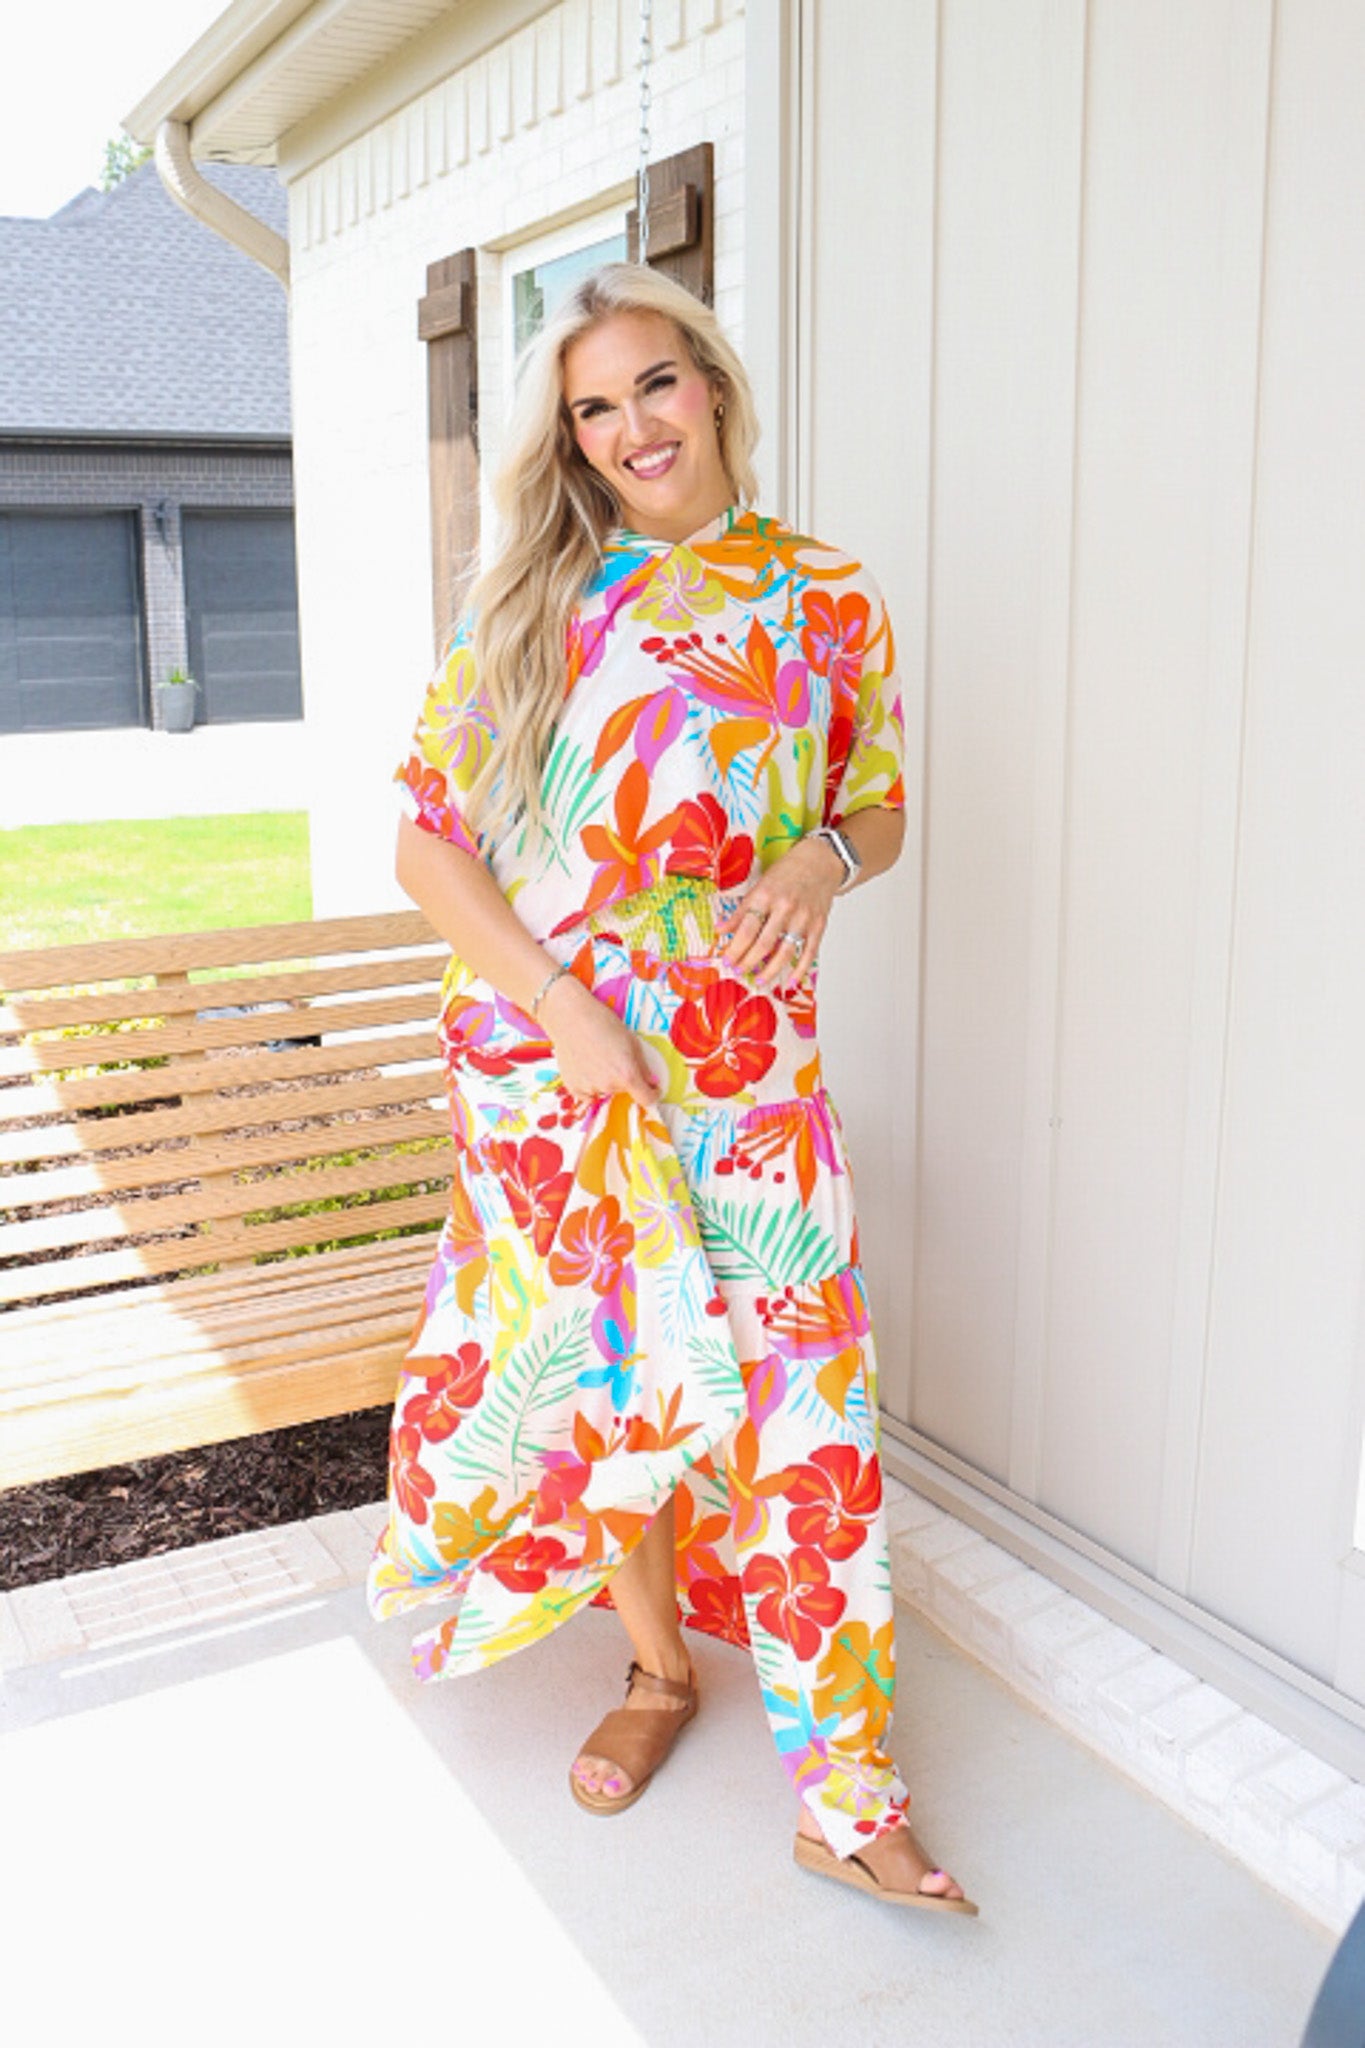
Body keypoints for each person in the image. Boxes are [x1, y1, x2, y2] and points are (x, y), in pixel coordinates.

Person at [365, 262, 976, 1917]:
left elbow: (878, 798)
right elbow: (426, 847)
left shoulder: (824, 592)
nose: (631, 426)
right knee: (611, 1389)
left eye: (653, 384)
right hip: (552, 1067)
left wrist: (824, 858)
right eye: (592, 407)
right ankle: (653, 1674)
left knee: (806, 1412)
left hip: (750, 1068)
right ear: (566, 440)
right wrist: (562, 1005)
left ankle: (845, 1794)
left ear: (709, 383)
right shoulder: (532, 603)